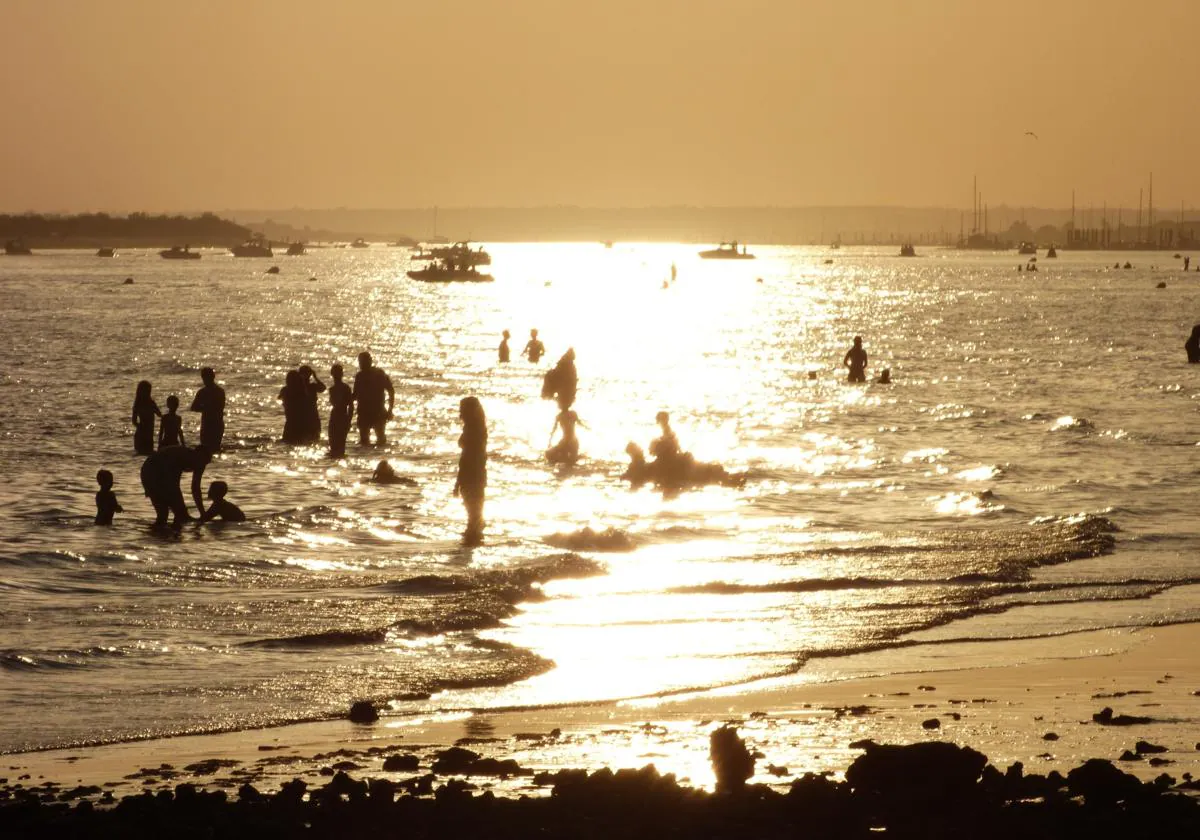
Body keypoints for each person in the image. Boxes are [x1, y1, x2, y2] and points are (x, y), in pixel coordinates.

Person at [139, 444, 211, 527]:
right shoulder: (182, 455)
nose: (202, 465)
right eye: (202, 461)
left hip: (155, 471)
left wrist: (202, 513)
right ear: (196, 454)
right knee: (166, 512)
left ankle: (169, 536)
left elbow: (195, 487)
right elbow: (173, 485)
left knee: (176, 513)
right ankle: (168, 535)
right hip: (151, 470)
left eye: (205, 463)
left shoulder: (200, 463)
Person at [452, 396, 487, 542]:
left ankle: (474, 534)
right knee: (474, 509)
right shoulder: (478, 428)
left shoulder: (473, 430)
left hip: (471, 473)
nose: (460, 413)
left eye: (463, 410)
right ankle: (475, 533)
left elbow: (467, 457)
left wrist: (458, 481)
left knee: (473, 509)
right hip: (476, 473)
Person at [353, 351, 395, 446]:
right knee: (364, 441)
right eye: (360, 362)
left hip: (378, 411)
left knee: (380, 440)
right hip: (364, 412)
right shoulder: (359, 376)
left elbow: (391, 391)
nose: (361, 365)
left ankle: (379, 457)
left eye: (363, 362)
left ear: (370, 361)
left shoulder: (379, 374)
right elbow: (355, 395)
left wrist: (390, 410)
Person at [190, 368, 226, 452]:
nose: (205, 380)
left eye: (206, 378)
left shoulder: (218, 391)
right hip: (208, 423)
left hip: (215, 423)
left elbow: (221, 407)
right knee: (207, 449)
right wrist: (206, 408)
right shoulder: (204, 392)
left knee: (213, 448)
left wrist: (206, 407)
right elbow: (193, 407)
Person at [547, 398, 586, 464]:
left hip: (566, 441)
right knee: (570, 460)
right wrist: (587, 427)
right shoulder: (572, 413)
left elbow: (554, 430)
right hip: (573, 441)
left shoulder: (559, 416)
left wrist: (549, 442)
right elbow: (580, 423)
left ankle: (566, 460)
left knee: (550, 455)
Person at [327, 363, 354, 458]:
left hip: (342, 416)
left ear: (341, 374)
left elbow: (351, 406)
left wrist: (349, 421)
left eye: (338, 373)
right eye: (335, 373)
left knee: (341, 445)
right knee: (333, 444)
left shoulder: (346, 388)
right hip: (335, 416)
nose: (336, 375)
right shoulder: (332, 389)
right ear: (332, 374)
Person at [131, 380, 160, 455]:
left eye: (149, 391)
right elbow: (134, 421)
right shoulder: (138, 404)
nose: (148, 393)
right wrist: (141, 427)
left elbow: (159, 414)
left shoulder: (151, 403)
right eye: (147, 391)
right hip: (142, 434)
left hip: (149, 434)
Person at [298, 365, 326, 443]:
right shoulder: (298, 387)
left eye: (307, 374)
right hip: (304, 417)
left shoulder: (312, 386)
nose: (305, 376)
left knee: (315, 438)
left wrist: (316, 377)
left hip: (313, 416)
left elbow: (323, 388)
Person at [278, 369, 307, 444]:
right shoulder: (301, 390)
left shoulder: (285, 390)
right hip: (300, 422)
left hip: (290, 422)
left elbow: (279, 397)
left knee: (287, 441)